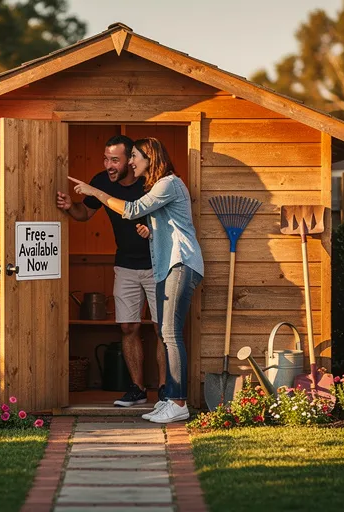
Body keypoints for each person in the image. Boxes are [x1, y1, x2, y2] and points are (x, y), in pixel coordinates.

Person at [68, 137, 203, 424]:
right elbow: (168, 225)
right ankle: (168, 400)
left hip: (179, 263)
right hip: (167, 265)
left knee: (169, 334)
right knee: (167, 333)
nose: (131, 163)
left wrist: (95, 191)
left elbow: (130, 210)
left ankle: (176, 401)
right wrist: (151, 233)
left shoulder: (167, 183)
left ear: (149, 159)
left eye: (134, 158)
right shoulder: (161, 185)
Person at [56, 135, 166, 408]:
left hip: (157, 265)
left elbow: (167, 218)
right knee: (128, 326)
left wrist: (153, 230)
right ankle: (137, 390)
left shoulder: (149, 182)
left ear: (131, 159)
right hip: (125, 265)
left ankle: (166, 390)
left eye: (115, 160)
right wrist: (70, 207)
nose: (108, 165)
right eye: (106, 159)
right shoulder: (102, 181)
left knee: (163, 330)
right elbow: (85, 214)